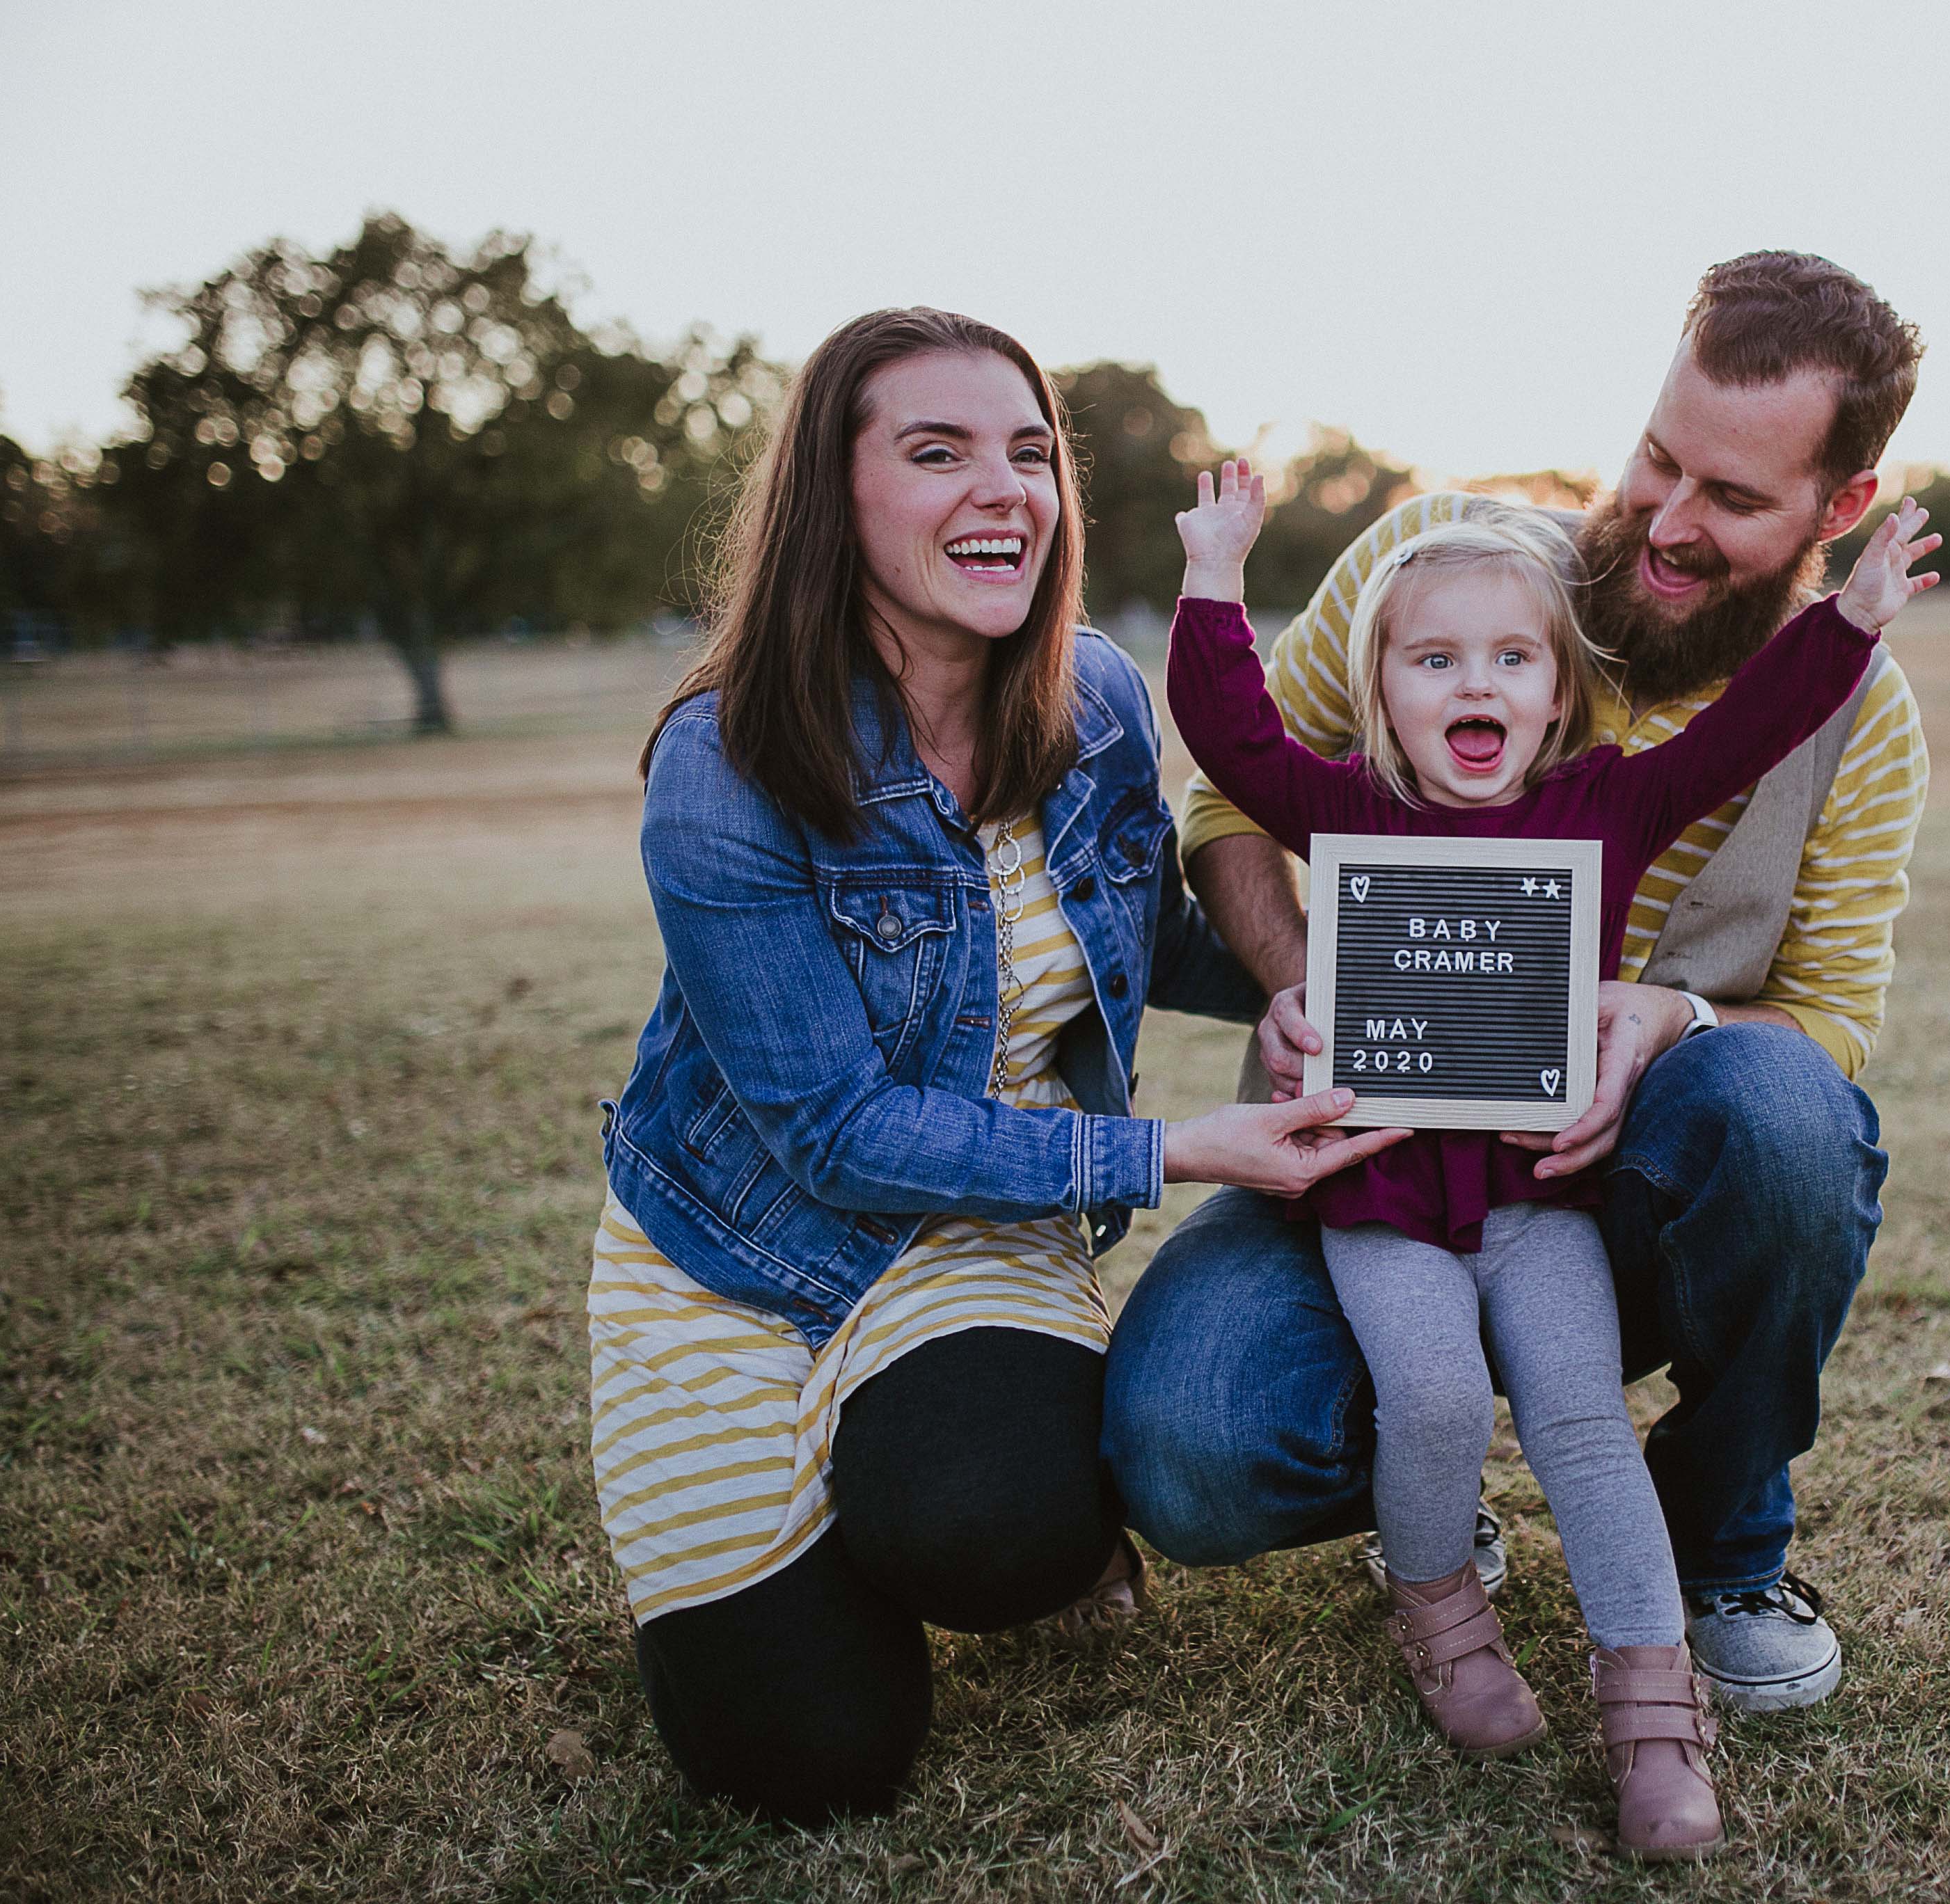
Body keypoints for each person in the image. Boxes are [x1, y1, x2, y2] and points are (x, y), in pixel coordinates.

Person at [586, 308, 1409, 1825]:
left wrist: (1315, 985)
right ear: (834, 497)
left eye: (1030, 455)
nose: (1004, 490)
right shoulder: (725, 759)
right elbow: (835, 1132)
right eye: (938, 452)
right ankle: (810, 1527)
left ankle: (964, 1491)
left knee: (995, 1526)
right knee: (807, 1770)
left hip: (982, 1229)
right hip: (735, 1256)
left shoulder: (1092, 697)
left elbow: (1142, 934)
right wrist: (1178, 1150)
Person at [1107, 251, 1931, 1716]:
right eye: (1659, 456)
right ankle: (1425, 1505)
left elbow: (1827, 1005)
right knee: (1189, 1444)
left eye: (1731, 497)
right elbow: (1235, 772)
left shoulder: (1686, 775)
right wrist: (1304, 983)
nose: (1666, 520)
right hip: (1368, 1167)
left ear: (1837, 505)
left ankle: (1720, 1547)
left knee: (1781, 1110)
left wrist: (1666, 1019)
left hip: (1593, 1187)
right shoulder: (1429, 582)